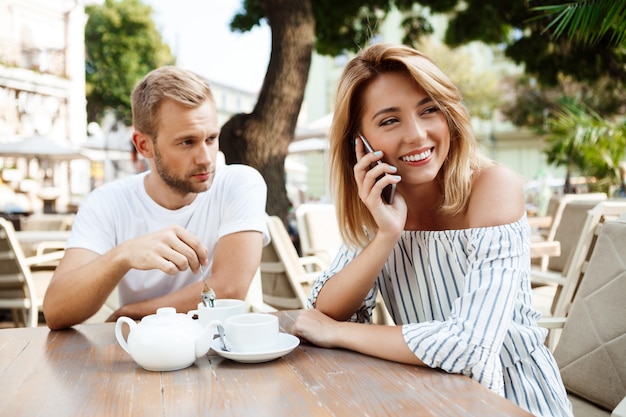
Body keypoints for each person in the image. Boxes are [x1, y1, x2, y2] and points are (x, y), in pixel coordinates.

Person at [291, 44, 572, 417]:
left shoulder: (493, 187)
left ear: (449, 116)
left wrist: (341, 334)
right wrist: (386, 235)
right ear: (360, 143)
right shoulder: (382, 204)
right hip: (426, 393)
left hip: (512, 398)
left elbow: (470, 347)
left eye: (429, 110)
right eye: (390, 120)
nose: (418, 135)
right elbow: (326, 312)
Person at [43, 66, 269, 330]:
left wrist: (132, 313)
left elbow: (229, 289)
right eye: (187, 142)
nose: (206, 158)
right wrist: (123, 255)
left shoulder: (240, 183)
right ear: (143, 145)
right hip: (144, 359)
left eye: (211, 138)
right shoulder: (107, 202)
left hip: (223, 354)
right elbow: (56, 311)